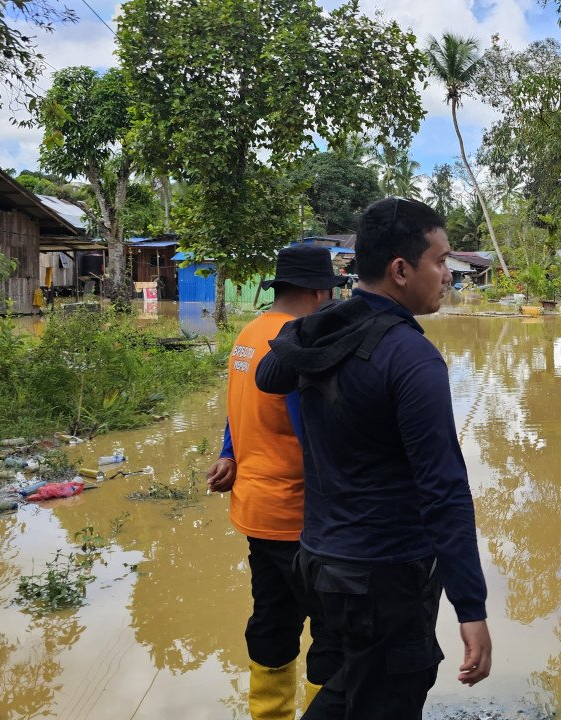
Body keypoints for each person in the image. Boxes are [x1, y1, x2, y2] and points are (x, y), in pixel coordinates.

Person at [257, 197, 492, 719]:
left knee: (350, 689)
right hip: (385, 576)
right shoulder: (411, 358)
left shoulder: (336, 333)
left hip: (322, 564)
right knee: (384, 697)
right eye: (440, 262)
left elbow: (269, 375)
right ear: (401, 270)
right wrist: (470, 608)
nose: (449, 275)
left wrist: (327, 319)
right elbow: (445, 491)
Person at [206, 245, 346, 719]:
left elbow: (237, 408)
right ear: (319, 291)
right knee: (334, 635)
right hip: (300, 521)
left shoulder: (249, 335)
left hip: (255, 514)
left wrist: (229, 452)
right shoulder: (296, 344)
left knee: (272, 622)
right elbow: (316, 439)